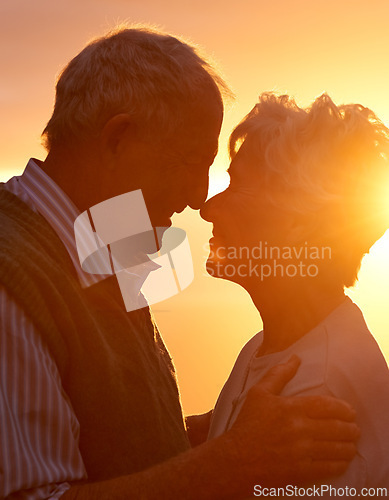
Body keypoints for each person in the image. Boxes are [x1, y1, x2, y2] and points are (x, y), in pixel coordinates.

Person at [0, 29, 359, 499]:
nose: (197, 199)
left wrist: (211, 432)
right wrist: (232, 461)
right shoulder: (13, 282)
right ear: (119, 138)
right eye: (193, 162)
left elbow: (102, 436)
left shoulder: (98, 250)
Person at [201, 93, 389, 492]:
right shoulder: (270, 347)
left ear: (298, 225)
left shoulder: (313, 397)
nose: (209, 208)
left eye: (237, 186)